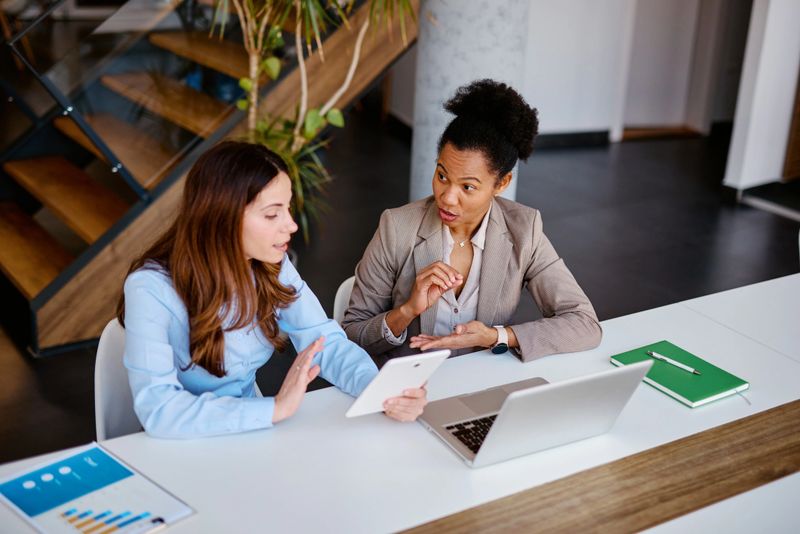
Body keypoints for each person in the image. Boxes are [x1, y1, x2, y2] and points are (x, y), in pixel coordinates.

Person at [118, 141, 426, 438]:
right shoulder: (150, 288)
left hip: (252, 432)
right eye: (271, 214)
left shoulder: (270, 263)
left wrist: (381, 391)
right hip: (187, 444)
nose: (291, 225)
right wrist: (273, 409)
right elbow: (159, 410)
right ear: (221, 218)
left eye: (288, 209)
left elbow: (325, 343)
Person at [342, 79, 602, 365]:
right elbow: (351, 333)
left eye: (467, 187)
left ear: (502, 183)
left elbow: (584, 324)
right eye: (442, 176)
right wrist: (407, 311)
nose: (447, 198)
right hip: (404, 388)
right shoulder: (397, 228)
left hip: (479, 384)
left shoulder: (524, 230)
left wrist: (496, 337)